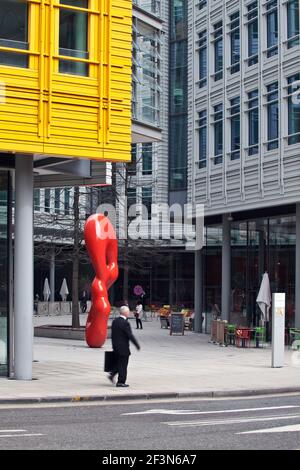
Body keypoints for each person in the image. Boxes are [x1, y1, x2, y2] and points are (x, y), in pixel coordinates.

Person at [108, 305, 140, 387]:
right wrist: (136, 345)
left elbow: (113, 335)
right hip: (123, 347)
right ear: (125, 313)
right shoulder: (125, 323)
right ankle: (121, 382)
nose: (129, 313)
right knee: (123, 365)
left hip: (116, 346)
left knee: (119, 362)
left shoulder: (115, 321)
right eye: (128, 312)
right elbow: (130, 335)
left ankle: (112, 374)